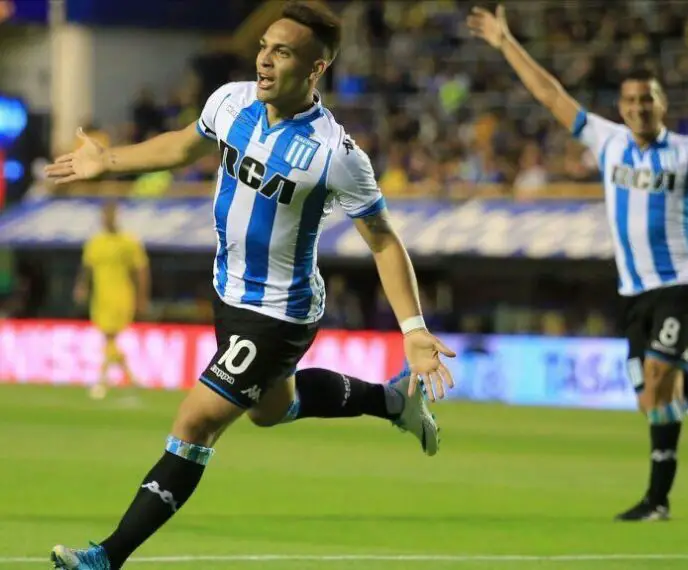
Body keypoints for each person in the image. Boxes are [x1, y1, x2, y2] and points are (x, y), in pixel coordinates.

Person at [45, 3, 455, 568]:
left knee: (195, 423)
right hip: (229, 293)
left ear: (315, 69)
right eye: (264, 46)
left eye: (282, 52)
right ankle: (392, 400)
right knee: (270, 410)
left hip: (279, 312)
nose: (264, 59)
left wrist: (413, 328)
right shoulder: (232, 100)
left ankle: (108, 556)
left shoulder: (336, 155)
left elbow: (383, 240)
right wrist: (110, 158)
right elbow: (182, 145)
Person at [467, 5, 688, 521]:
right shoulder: (608, 142)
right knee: (653, 401)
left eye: (647, 99)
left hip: (683, 284)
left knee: (658, 378)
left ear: (661, 104)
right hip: (634, 292)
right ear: (621, 108)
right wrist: (505, 42)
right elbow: (550, 95)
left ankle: (657, 500)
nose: (638, 107)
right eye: (629, 100)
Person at [74, 200, 149, 400]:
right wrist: (81, 287)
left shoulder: (128, 241)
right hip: (100, 297)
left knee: (110, 337)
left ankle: (102, 380)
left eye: (111, 215)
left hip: (122, 296)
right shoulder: (94, 242)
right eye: (105, 215)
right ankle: (131, 377)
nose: (108, 219)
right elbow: (87, 268)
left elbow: (141, 271)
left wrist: (142, 297)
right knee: (109, 338)